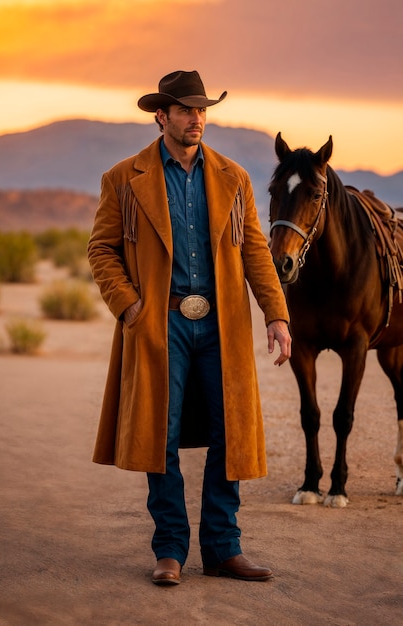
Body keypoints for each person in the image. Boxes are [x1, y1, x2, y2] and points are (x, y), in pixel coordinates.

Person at [87, 70, 291, 586]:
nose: (196, 119)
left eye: (202, 110)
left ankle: (224, 548)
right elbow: (101, 249)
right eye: (185, 110)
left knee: (231, 434)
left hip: (222, 325)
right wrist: (130, 307)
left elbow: (255, 252)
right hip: (161, 322)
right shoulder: (123, 178)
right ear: (162, 116)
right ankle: (171, 550)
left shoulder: (234, 177)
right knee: (163, 434)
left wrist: (276, 314)